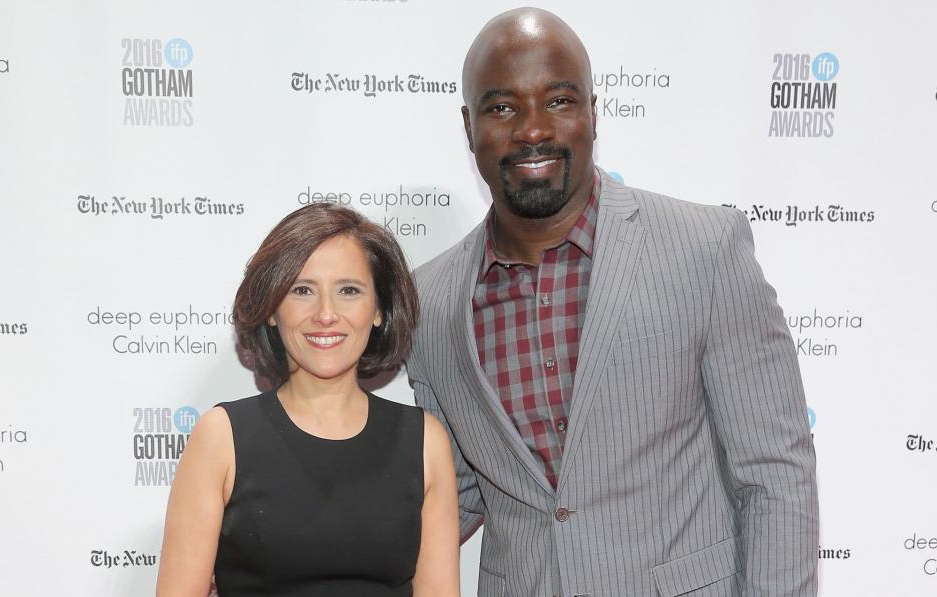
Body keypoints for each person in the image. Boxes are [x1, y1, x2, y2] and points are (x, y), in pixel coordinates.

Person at [407, 8, 818, 597]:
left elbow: (776, 475)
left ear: (594, 113)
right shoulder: (430, 303)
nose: (532, 129)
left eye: (559, 100)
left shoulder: (704, 249)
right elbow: (456, 495)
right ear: (468, 125)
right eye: (502, 107)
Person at [157, 203, 460, 597]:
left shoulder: (424, 440)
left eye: (348, 291)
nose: (326, 314)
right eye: (302, 290)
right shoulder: (223, 437)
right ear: (271, 310)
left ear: (379, 310)